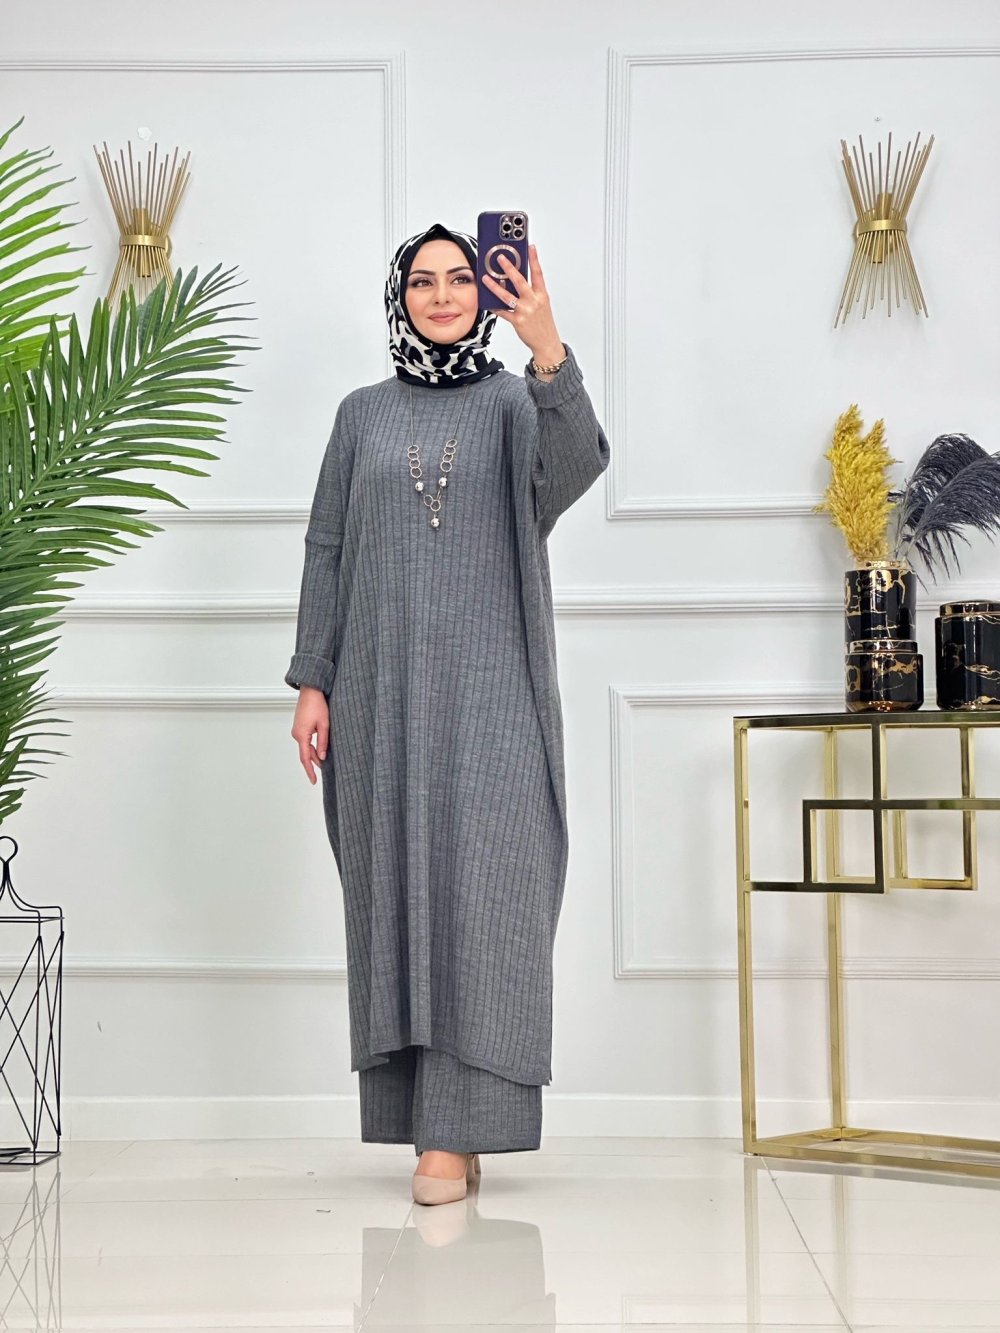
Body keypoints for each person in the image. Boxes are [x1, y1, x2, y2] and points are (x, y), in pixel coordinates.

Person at [286, 221, 610, 1205]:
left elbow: (572, 471)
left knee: (489, 894)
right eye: (421, 281)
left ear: (483, 293)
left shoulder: (515, 403)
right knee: (396, 890)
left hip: (492, 695)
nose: (440, 295)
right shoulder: (360, 416)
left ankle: (461, 1128)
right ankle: (434, 1126)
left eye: (458, 278)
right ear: (400, 298)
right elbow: (328, 547)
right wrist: (314, 677)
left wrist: (546, 347)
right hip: (380, 695)